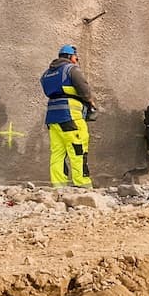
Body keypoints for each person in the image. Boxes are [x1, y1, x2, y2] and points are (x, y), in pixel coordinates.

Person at [40, 43, 96, 188]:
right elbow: (84, 88)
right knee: (78, 149)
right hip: (70, 115)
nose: (77, 61)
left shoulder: (47, 73)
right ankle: (83, 185)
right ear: (71, 57)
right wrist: (90, 101)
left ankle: (59, 186)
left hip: (52, 117)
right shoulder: (71, 69)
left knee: (58, 152)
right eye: (76, 58)